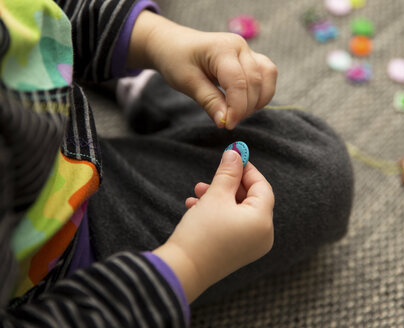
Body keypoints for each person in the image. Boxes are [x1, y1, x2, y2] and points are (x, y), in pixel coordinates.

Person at [0, 0, 353, 326]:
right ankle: (141, 82)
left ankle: (131, 62)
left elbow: (38, 12)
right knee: (314, 167)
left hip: (55, 141)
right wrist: (187, 264)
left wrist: (156, 38)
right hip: (64, 256)